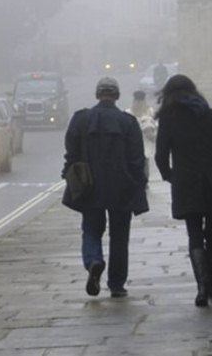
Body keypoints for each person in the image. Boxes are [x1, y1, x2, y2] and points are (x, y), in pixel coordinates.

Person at [61, 77, 149, 299]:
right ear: (117, 96)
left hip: (89, 185)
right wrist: (139, 183)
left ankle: (94, 261)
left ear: (97, 94)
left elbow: (71, 153)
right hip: (121, 186)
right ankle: (117, 284)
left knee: (91, 229)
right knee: (119, 235)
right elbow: (137, 159)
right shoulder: (128, 122)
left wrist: (69, 174)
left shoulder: (81, 119)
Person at [155, 74, 212, 308]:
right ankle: (211, 285)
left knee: (194, 235)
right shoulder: (209, 115)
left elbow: (161, 155)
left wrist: (170, 176)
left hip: (186, 183)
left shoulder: (169, 119)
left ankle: (201, 287)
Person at [127, 90, 156, 181]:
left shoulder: (150, 111)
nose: (139, 103)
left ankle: (144, 181)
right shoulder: (128, 113)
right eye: (137, 101)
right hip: (132, 143)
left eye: (141, 101)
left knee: (145, 163)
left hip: (146, 143)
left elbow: (154, 125)